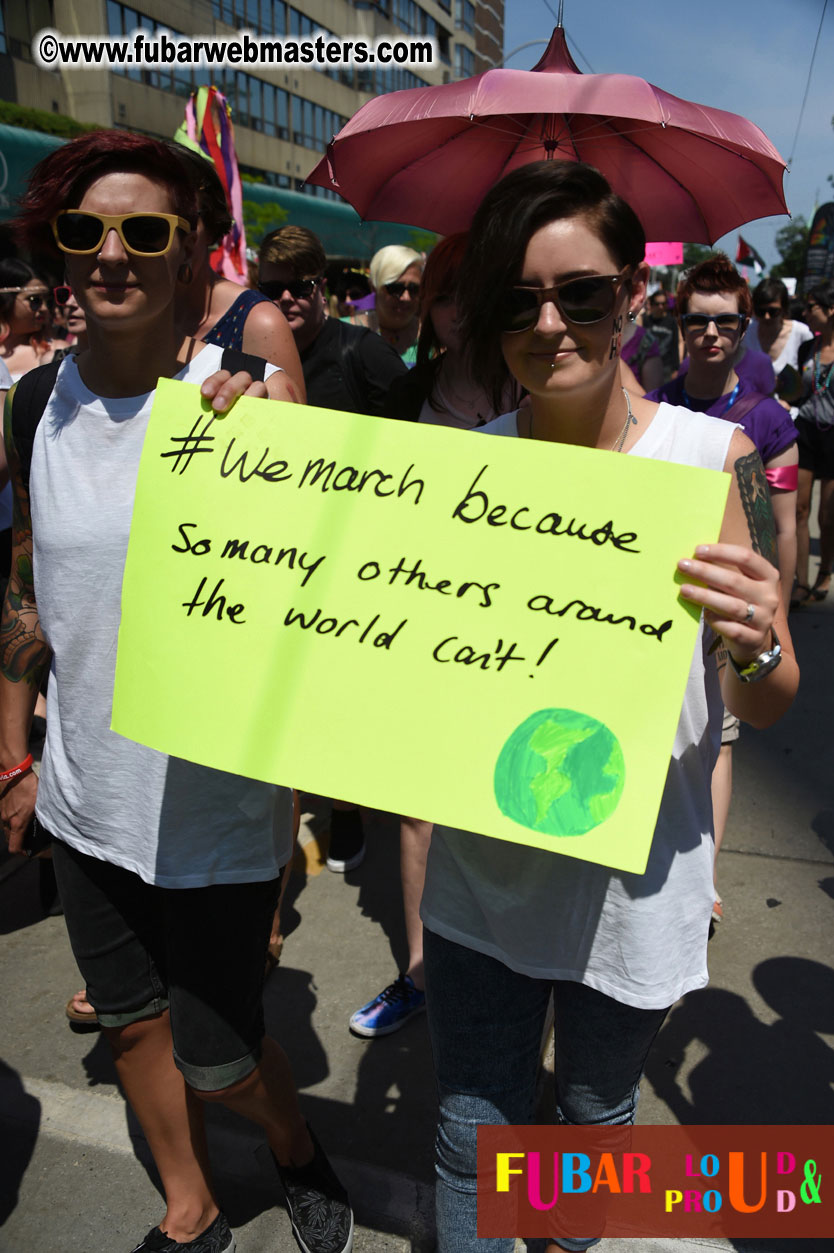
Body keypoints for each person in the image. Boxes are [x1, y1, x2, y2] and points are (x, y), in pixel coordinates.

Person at [420, 160, 797, 1253]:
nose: (549, 323)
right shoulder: (464, 470)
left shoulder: (708, 457)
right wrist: (242, 416)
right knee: (468, 1135)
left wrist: (757, 633)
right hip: (482, 881)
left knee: (592, 1123)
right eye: (518, 299)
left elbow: (769, 705)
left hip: (638, 888)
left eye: (580, 293)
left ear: (634, 296)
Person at [0, 130, 352, 1253]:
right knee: (134, 1026)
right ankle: (190, 1203)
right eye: (85, 230)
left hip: (209, 810)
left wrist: (291, 463)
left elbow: (321, 601)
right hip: (84, 796)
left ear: (192, 253)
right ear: (56, 250)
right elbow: (28, 585)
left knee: (222, 1047)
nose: (112, 253)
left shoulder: (240, 411)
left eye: (144, 231)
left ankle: (293, 1144)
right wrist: (16, 753)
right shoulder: (29, 406)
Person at [256, 223, 408, 954]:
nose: (288, 299)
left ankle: (346, 807)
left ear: (324, 288)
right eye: (273, 287)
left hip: (358, 559)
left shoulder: (359, 351)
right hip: (273, 559)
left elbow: (419, 439)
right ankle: (269, 884)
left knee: (342, 697)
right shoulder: (241, 352)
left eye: (302, 286)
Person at [646, 255, 798, 924]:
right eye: (698, 320)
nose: (711, 333)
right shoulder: (656, 403)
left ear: (743, 328)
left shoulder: (762, 421)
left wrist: (774, 612)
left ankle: (702, 880)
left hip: (724, 611)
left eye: (725, 321)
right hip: (658, 607)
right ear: (680, 325)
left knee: (720, 740)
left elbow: (779, 529)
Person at [168, 142, 306, 402]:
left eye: (185, 219)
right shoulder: (119, 318)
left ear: (210, 226)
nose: (173, 236)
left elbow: (294, 435)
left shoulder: (259, 322)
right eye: (149, 225)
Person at [793, 279, 834, 605]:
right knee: (799, 508)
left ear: (831, 309)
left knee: (828, 514)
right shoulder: (808, 348)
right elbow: (798, 390)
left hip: (833, 435)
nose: (806, 312)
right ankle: (801, 580)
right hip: (806, 430)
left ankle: (825, 573)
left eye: (812, 307)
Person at [345, 244, 423, 364]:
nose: (406, 298)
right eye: (395, 288)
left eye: (414, 289)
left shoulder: (434, 337)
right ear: (373, 287)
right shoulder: (343, 333)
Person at [747, 277, 813, 404]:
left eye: (773, 311)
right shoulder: (746, 332)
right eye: (761, 311)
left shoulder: (802, 333)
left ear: (784, 308)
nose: (766, 317)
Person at [0, 258, 68, 381]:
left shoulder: (59, 352)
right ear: (5, 301)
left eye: (48, 301)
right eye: (34, 300)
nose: (44, 308)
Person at [639, 287, 679, 379]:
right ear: (652, 305)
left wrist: (676, 368)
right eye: (657, 304)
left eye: (663, 304)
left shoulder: (672, 322)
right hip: (646, 365)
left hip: (665, 367)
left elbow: (675, 344)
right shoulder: (644, 319)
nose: (660, 307)